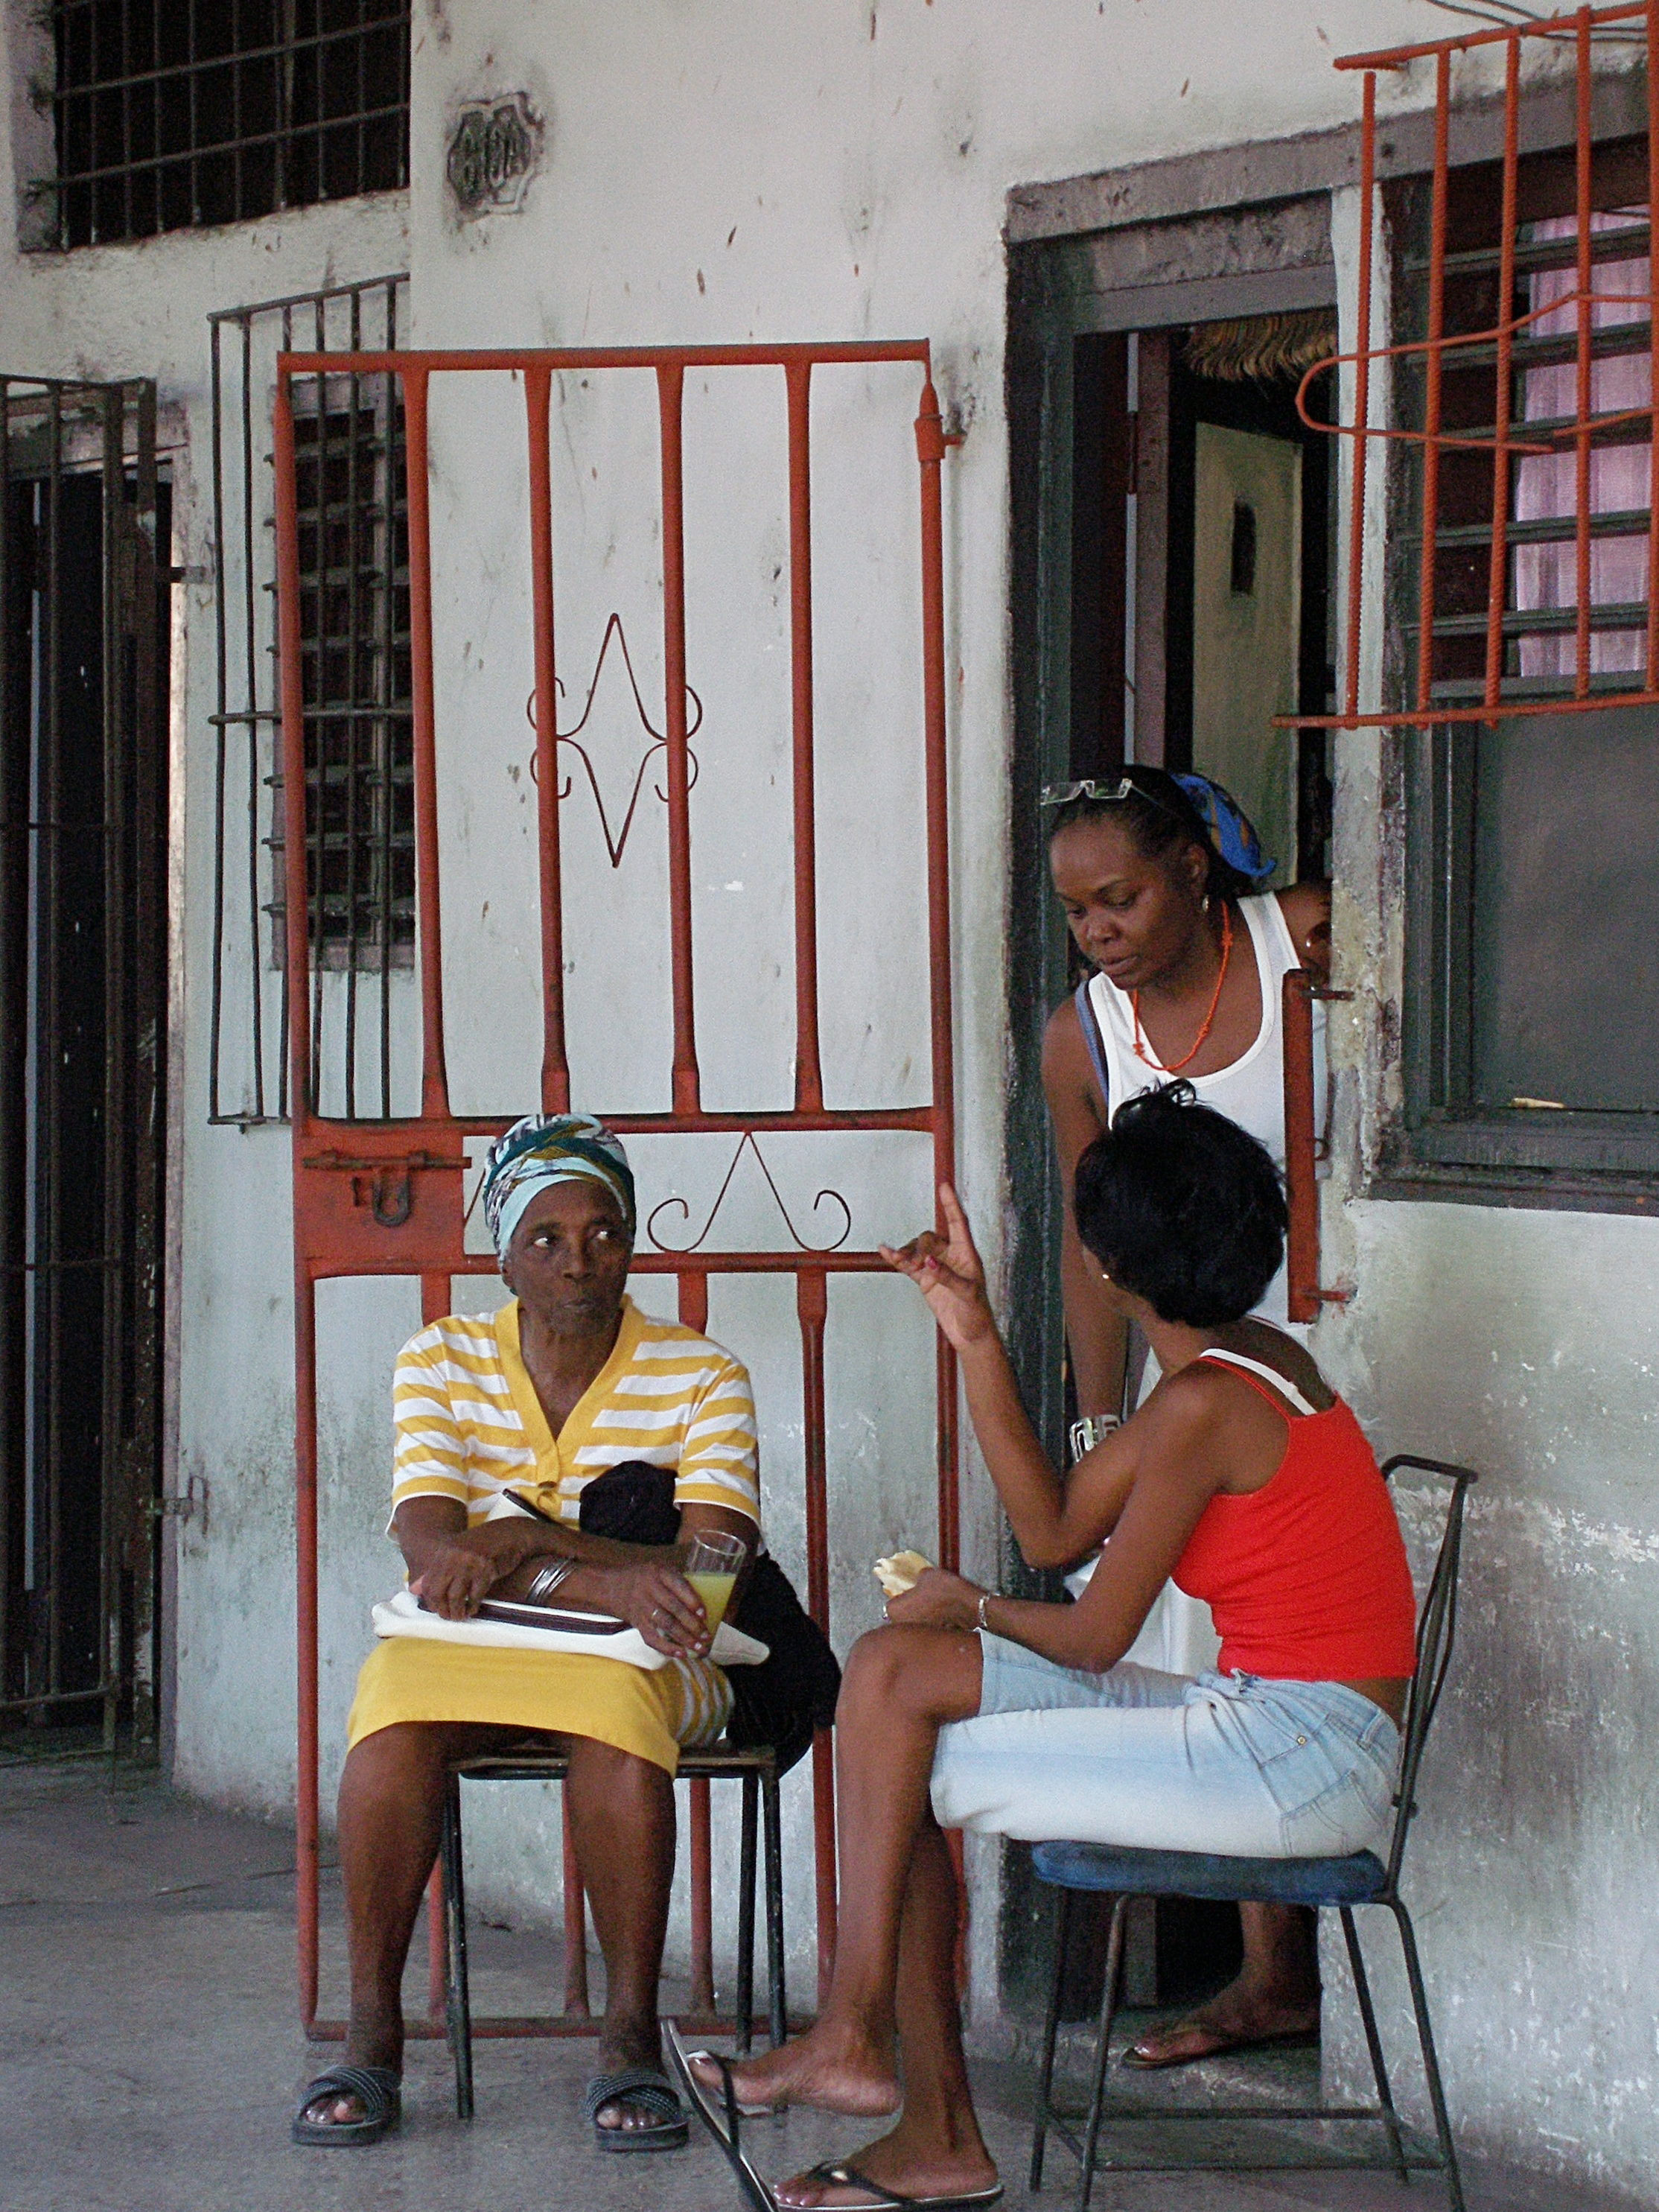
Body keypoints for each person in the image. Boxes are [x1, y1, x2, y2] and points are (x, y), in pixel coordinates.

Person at [684, 1084, 1415, 2212]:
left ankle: (897, 2083)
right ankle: (863, 2042)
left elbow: (1088, 1628)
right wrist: (972, 1327)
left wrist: (968, 1601)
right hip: (1279, 1721)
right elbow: (1055, 1528)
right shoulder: (1238, 1360)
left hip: (1300, 1755)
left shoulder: (1201, 1410)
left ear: (1111, 1271)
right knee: (890, 1668)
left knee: (902, 1758)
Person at [293, 1111, 761, 2151]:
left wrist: (509, 1540)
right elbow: (428, 1549)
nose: (578, 1261)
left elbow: (713, 1573)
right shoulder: (441, 1359)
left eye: (603, 1232)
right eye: (544, 1239)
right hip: (481, 1648)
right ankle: (373, 2035)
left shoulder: (702, 1374)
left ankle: (630, 2039)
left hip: (659, 1653)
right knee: (392, 1710)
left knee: (612, 1704)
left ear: (633, 1242)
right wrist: (588, 1571)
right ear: (500, 1255)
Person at [1041, 764, 1331, 2068]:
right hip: (1197, 1387)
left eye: (1122, 897)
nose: (1100, 930)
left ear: (1196, 874)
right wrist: (1101, 1423)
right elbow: (1087, 1232)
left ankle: (1304, 1956)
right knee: (1222, 1646)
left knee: (1315, 1629)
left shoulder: (1303, 948)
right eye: (1078, 910)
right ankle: (1270, 1972)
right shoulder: (1082, 1037)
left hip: (1330, 1354)